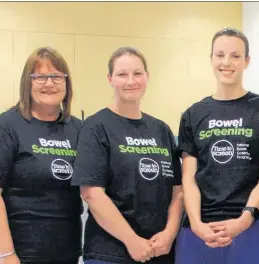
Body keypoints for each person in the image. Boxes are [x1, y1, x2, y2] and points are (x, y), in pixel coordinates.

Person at [174, 27, 259, 264]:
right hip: (199, 230)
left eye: (235, 56)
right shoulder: (193, 115)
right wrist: (196, 224)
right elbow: (189, 179)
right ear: (211, 59)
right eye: (220, 55)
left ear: (247, 61)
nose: (227, 62)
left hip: (248, 227)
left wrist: (244, 220)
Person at [0, 47, 83, 264]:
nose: (49, 83)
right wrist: (6, 253)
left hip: (66, 251)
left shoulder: (78, 129)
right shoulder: (7, 126)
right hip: (20, 253)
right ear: (27, 83)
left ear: (66, 84)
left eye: (57, 76)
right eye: (40, 76)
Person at [71, 47, 183, 264]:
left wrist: (170, 233)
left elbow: (177, 191)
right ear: (110, 79)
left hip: (160, 251)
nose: (131, 81)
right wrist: (132, 241)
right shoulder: (96, 127)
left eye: (138, 73)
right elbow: (92, 193)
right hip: (111, 252)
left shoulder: (161, 129)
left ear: (147, 77)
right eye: (122, 74)